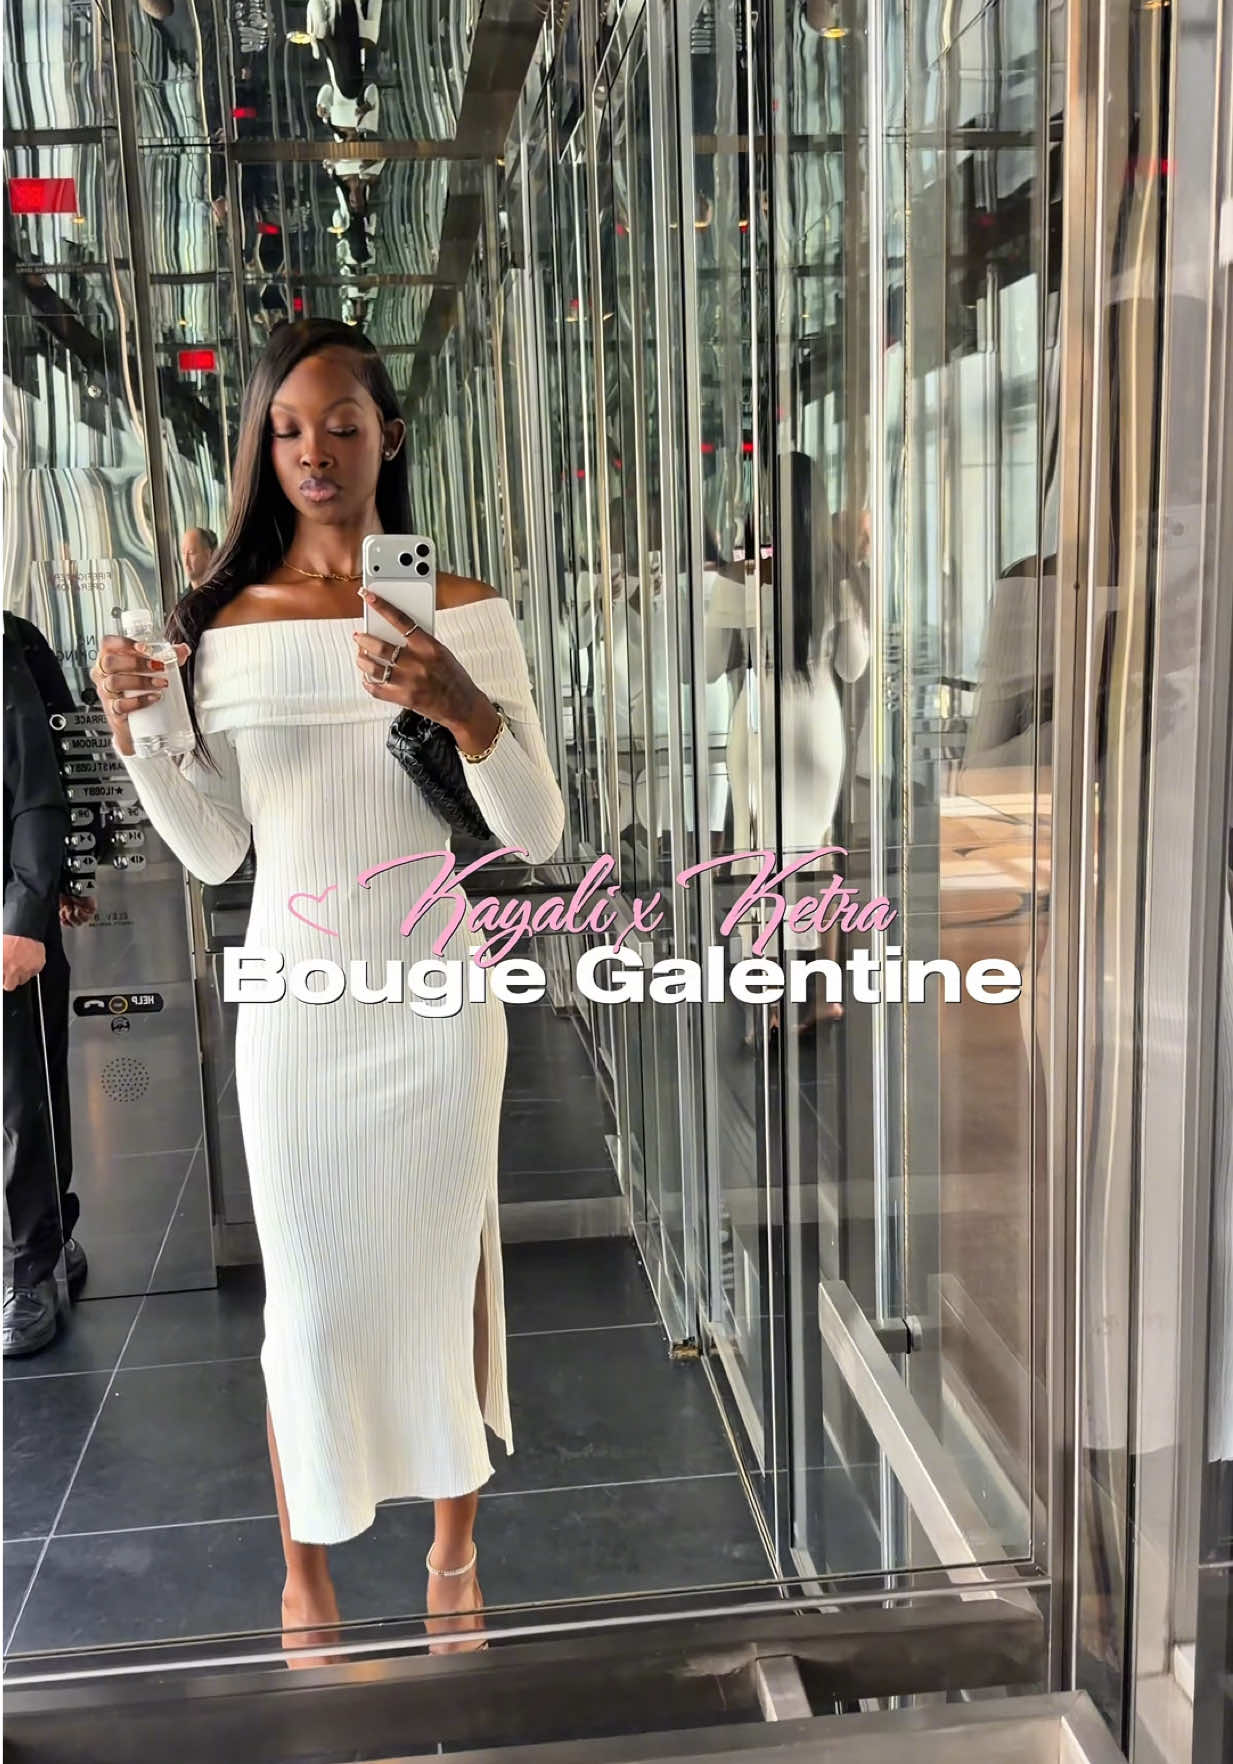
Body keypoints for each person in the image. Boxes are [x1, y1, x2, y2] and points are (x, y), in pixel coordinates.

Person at [90, 319, 565, 1662]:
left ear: (388, 437)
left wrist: (464, 705)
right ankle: (305, 1580)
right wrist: (138, 736)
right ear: (259, 449)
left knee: (442, 1275)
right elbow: (215, 850)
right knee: (303, 1301)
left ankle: (455, 1555)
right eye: (286, 429)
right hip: (298, 1010)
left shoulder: (463, 609)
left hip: (436, 1001)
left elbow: (535, 831)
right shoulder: (216, 628)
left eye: (342, 424)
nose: (314, 451)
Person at [3, 613, 88, 1356]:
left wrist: (30, 910)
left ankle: (30, 1269)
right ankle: (49, 1236)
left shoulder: (8, 643)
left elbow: (41, 781)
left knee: (18, 1095)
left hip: (6, 914)